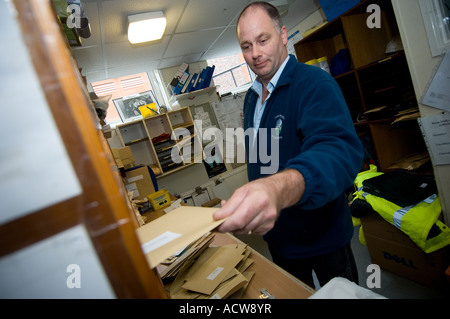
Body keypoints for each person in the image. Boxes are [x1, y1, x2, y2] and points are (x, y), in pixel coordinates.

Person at [213, 2, 364, 288]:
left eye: (263, 40)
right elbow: (263, 157)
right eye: (246, 46)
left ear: (283, 35)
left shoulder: (314, 83)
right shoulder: (250, 97)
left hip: (324, 236)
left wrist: (276, 189)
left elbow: (336, 151)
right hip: (279, 239)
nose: (255, 54)